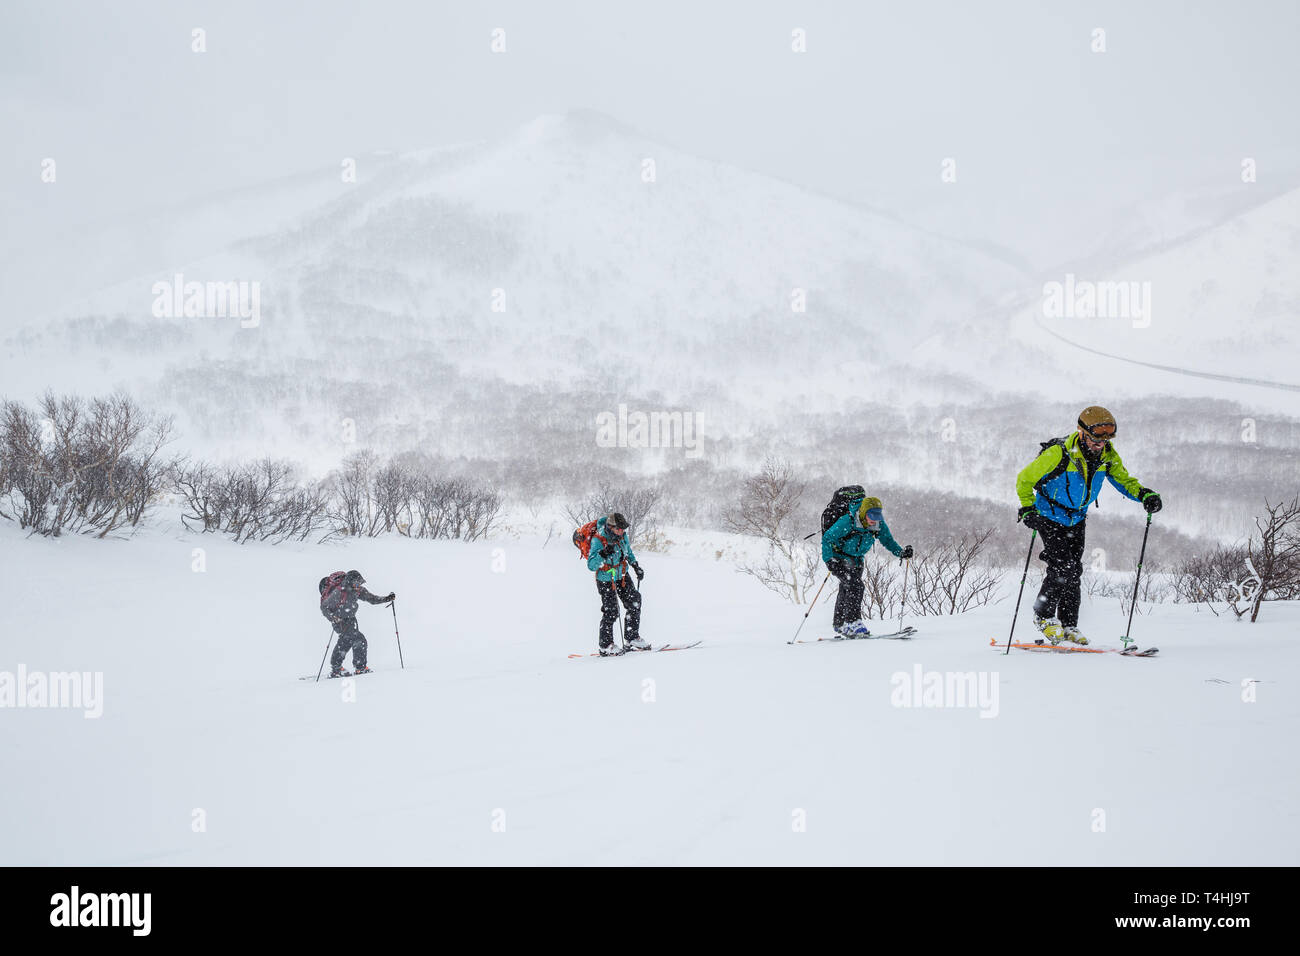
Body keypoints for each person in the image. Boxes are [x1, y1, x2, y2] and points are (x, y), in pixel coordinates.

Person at [1015, 405, 1162, 645]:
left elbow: (1123, 481)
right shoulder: (1059, 453)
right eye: (1095, 439)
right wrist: (1028, 508)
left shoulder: (1107, 455)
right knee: (1062, 567)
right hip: (1049, 516)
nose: (1100, 444)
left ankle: (1069, 624)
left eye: (1105, 439)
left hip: (1077, 519)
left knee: (1075, 571)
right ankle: (1043, 616)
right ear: (1082, 432)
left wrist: (1144, 495)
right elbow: (1024, 479)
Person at [821, 496, 913, 637]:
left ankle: (840, 624)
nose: (874, 519)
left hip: (857, 561)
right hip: (838, 558)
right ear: (863, 512)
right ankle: (853, 623)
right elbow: (827, 538)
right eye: (872, 515)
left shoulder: (878, 525)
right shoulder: (848, 521)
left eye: (878, 515)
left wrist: (901, 552)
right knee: (855, 586)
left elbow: (888, 541)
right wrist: (829, 560)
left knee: (847, 587)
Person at [586, 512, 647, 655]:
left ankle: (632, 637)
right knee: (611, 611)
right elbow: (591, 565)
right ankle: (606, 646)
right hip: (606, 579)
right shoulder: (598, 539)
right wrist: (603, 554)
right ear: (610, 527)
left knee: (634, 601)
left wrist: (635, 565)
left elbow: (628, 551)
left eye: (623, 528)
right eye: (619, 528)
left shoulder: (622, 536)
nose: (622, 531)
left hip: (622, 575)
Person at [319, 569, 395, 677]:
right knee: (359, 639)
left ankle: (337, 668)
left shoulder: (357, 590)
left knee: (346, 641)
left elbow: (372, 599)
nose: (358, 585)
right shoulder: (339, 591)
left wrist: (386, 599)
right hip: (339, 621)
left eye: (359, 583)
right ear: (350, 581)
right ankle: (359, 668)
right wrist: (333, 618)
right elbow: (324, 607)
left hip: (349, 619)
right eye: (356, 583)